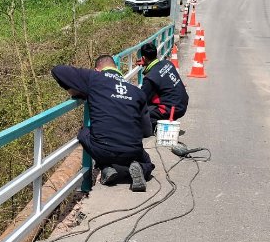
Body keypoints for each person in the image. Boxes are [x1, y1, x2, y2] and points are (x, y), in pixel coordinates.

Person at [51, 55, 154, 192]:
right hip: (131, 150)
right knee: (146, 160)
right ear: (116, 69)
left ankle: (107, 167)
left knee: (85, 132)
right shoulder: (137, 92)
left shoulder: (94, 78)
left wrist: (75, 91)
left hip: (103, 150)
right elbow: (147, 131)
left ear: (97, 69)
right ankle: (140, 168)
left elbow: (58, 70)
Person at [139, 42, 189, 130]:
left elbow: (142, 99)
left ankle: (156, 126)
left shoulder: (150, 77)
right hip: (183, 103)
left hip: (172, 110)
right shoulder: (167, 63)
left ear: (143, 58)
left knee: (140, 113)